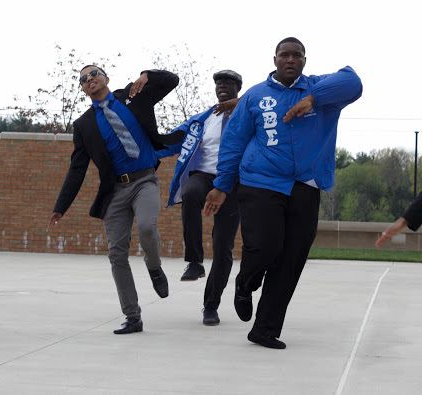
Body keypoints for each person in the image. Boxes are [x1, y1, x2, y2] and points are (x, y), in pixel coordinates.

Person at [204, 37, 362, 349]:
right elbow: (234, 141)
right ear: (275, 59)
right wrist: (222, 185)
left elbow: (353, 81)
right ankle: (245, 282)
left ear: (304, 60)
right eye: (284, 55)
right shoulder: (255, 96)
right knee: (265, 247)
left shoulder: (321, 90)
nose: (290, 60)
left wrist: (313, 99)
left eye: (297, 55)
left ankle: (264, 329)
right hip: (261, 181)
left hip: (306, 185)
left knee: (291, 260)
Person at [49, 65, 183, 334]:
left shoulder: (132, 96)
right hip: (115, 192)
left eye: (94, 74)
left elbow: (172, 81)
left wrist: (148, 75)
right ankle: (132, 316)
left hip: (145, 180)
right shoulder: (84, 125)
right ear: (83, 89)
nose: (90, 80)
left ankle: (154, 267)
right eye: (83, 79)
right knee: (116, 254)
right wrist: (60, 207)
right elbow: (77, 168)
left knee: (147, 226)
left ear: (106, 78)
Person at [158, 70, 242, 326]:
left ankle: (211, 305)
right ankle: (194, 261)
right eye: (219, 83)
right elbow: (171, 141)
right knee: (191, 192)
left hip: (234, 183)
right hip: (204, 175)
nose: (222, 86)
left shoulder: (246, 113)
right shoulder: (203, 119)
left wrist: (237, 105)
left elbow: (259, 99)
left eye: (228, 83)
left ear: (238, 88)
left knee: (223, 247)